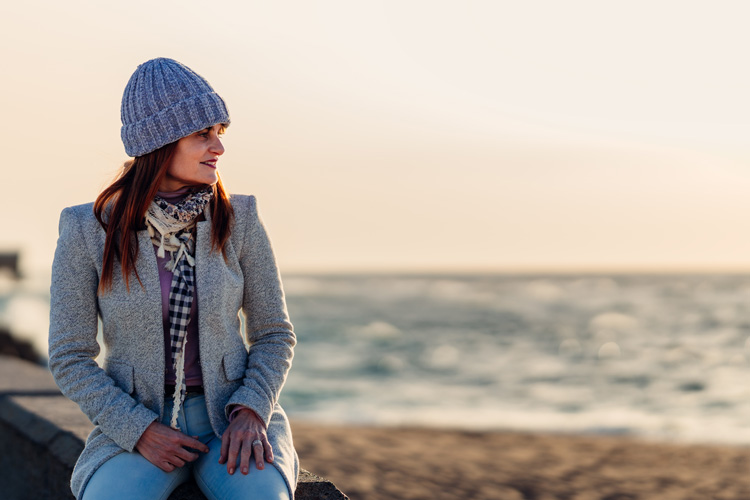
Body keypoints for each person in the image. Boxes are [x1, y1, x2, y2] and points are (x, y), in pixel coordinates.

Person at [48, 57, 298, 500]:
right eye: (203, 134)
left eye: (219, 133)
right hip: (139, 424)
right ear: (159, 143)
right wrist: (139, 430)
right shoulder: (87, 229)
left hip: (230, 422)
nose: (218, 147)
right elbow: (70, 355)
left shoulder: (239, 218)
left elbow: (274, 333)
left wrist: (252, 411)